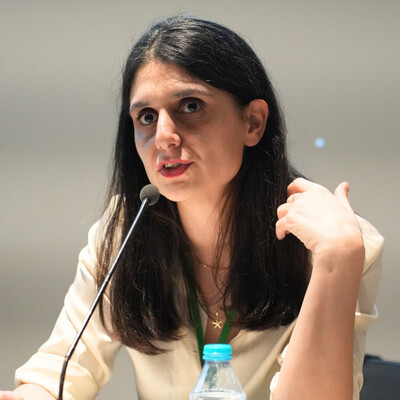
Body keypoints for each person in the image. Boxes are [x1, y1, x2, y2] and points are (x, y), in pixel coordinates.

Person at [0, 16, 383, 400]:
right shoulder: (122, 233)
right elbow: (57, 376)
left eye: (191, 106)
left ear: (253, 122)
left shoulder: (333, 242)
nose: (164, 137)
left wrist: (338, 257)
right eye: (146, 117)